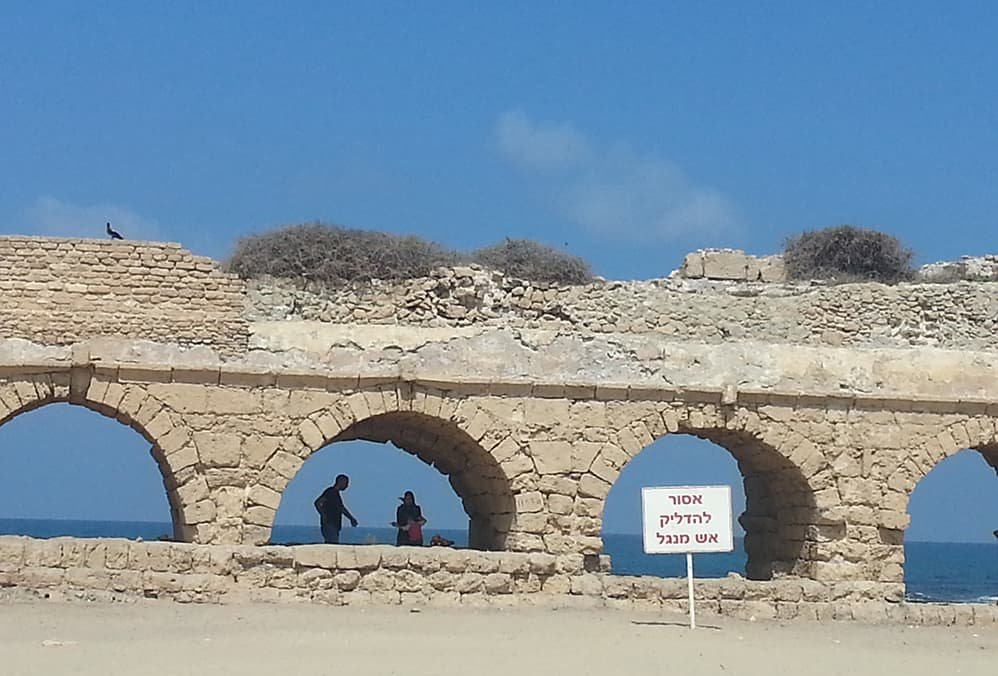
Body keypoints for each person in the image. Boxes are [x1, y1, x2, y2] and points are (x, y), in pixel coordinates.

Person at [314, 474, 357, 544]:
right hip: (329, 524)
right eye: (346, 483)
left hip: (335, 525)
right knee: (331, 543)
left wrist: (351, 518)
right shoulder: (330, 492)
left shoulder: (336, 494)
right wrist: (323, 515)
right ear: (341, 482)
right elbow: (317, 502)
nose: (347, 486)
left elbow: (341, 508)